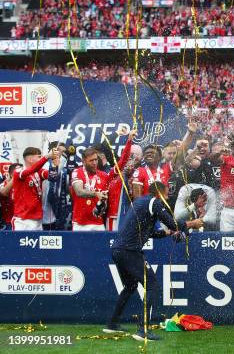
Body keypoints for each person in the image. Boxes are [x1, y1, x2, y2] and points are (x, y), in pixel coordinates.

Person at [104, 181, 203, 341]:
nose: (167, 198)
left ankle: (112, 324)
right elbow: (175, 223)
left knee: (130, 286)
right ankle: (142, 330)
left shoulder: (140, 202)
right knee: (152, 286)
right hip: (130, 251)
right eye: (166, 194)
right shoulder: (154, 202)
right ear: (160, 193)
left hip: (118, 250)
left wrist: (168, 233)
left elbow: (150, 232)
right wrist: (193, 223)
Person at [71, 132, 134, 231]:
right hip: (80, 223)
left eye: (96, 159)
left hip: (98, 223)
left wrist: (129, 141)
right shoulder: (77, 172)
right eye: (91, 161)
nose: (95, 163)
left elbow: (121, 163)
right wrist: (96, 194)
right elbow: (79, 191)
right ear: (83, 161)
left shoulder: (104, 175)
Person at [11, 147, 58, 230]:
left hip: (37, 219)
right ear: (30, 159)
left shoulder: (39, 172)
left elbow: (53, 177)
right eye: (39, 156)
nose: (41, 159)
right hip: (22, 220)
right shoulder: (18, 172)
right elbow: (31, 170)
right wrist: (47, 157)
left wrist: (54, 165)